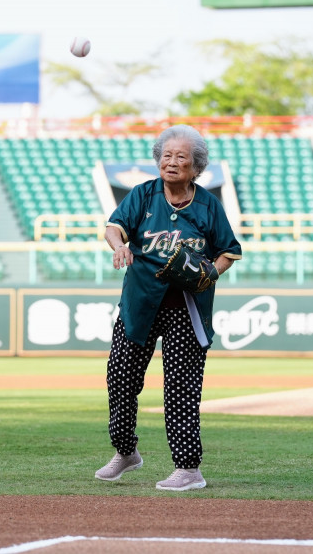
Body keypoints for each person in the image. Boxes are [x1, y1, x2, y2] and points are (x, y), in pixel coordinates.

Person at [95, 124, 241, 491]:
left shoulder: (208, 205)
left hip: (186, 307)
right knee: (120, 379)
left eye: (181, 158)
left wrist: (211, 272)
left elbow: (229, 251)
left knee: (181, 387)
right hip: (140, 302)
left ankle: (188, 468)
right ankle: (126, 451)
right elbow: (113, 227)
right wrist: (119, 246)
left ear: (196, 168)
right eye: (166, 155)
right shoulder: (143, 195)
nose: (171, 162)